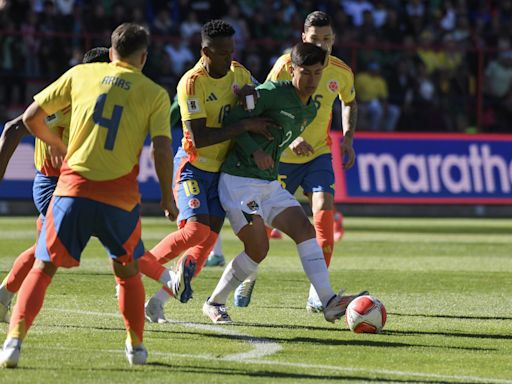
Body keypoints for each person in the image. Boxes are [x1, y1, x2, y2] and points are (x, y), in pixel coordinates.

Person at [0, 23, 178, 368]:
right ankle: (136, 347)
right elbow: (161, 147)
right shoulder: (155, 93)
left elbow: (30, 118)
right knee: (126, 272)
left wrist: (58, 145)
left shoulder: (81, 74)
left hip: (73, 189)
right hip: (120, 198)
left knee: (44, 266)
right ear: (144, 57)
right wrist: (168, 197)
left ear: (111, 53)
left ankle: (13, 343)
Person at [202, 42, 367, 324]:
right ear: (292, 69)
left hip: (267, 184)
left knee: (305, 229)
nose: (312, 80)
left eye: (317, 73)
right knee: (258, 250)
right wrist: (254, 149)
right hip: (239, 181)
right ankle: (214, 303)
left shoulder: (310, 109)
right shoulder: (271, 94)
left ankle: (327, 301)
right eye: (306, 73)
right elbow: (233, 118)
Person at [142, 19, 275, 324]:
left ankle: (157, 303)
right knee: (196, 231)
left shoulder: (238, 72)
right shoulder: (191, 82)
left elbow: (257, 102)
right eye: (223, 52)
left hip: (223, 174)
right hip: (193, 167)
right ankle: (136, 265)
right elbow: (199, 137)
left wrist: (249, 98)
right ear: (205, 51)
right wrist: (245, 124)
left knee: (202, 247)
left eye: (232, 50)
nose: (229, 58)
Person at [233, 11, 358, 312]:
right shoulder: (286, 65)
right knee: (260, 226)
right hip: (282, 156)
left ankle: (319, 293)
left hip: (318, 153)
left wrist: (349, 138)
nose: (323, 45)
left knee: (324, 210)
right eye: (316, 39)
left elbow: (349, 101)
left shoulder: (341, 71)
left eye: (327, 39)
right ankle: (247, 275)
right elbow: (264, 103)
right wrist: (291, 135)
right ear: (304, 39)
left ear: (334, 39)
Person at [0, 48, 112, 323]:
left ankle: (3, 297)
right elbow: (14, 129)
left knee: (45, 248)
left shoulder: (94, 99)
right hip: (53, 183)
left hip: (75, 182)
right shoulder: (66, 101)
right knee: (110, 232)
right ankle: (163, 285)